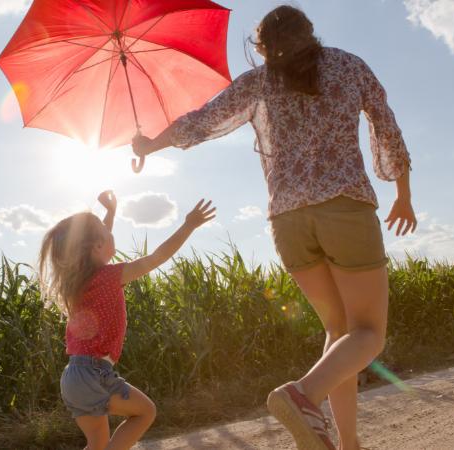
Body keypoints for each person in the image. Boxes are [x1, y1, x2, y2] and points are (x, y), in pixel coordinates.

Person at [132, 5, 416, 450]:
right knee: (368, 333)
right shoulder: (347, 65)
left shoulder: (257, 83)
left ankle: (349, 442)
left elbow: (201, 122)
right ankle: (301, 395)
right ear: (311, 34)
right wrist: (402, 191)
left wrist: (151, 144)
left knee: (339, 332)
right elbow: (385, 124)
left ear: (263, 46)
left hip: (287, 221)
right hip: (343, 208)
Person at [38, 190, 216, 450]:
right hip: (94, 373)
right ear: (97, 246)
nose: (111, 234)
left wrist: (109, 215)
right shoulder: (108, 276)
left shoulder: (77, 283)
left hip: (74, 376)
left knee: (97, 444)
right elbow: (156, 258)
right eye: (106, 231)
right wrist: (188, 226)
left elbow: (96, 246)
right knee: (145, 412)